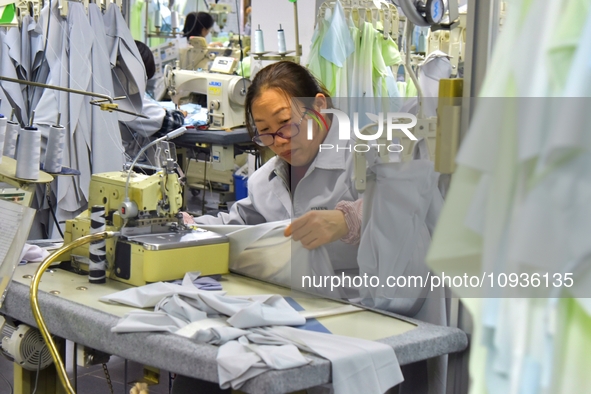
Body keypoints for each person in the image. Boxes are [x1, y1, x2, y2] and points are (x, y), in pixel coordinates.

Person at [186, 61, 363, 270]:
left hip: (359, 297)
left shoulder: (365, 157)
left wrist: (348, 219)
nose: (279, 141)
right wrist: (186, 226)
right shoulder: (265, 180)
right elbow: (238, 226)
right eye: (265, 131)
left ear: (319, 106)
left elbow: (400, 209)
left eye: (286, 123)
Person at [119, 40, 186, 163]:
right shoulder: (128, 97)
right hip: (128, 163)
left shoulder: (114, 86)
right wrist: (181, 114)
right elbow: (169, 123)